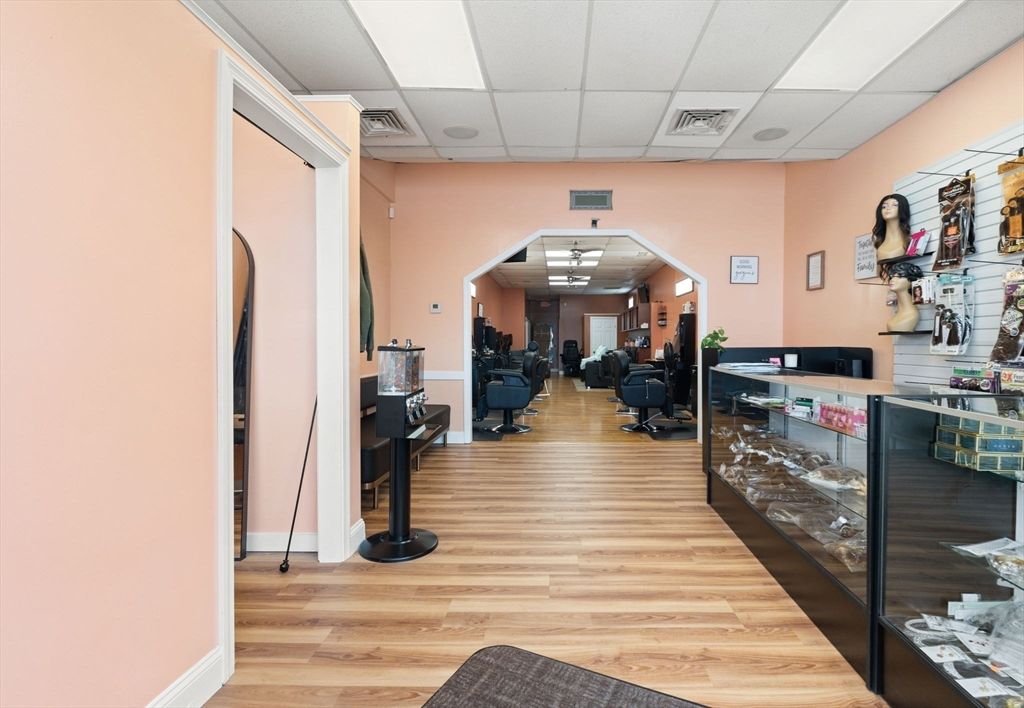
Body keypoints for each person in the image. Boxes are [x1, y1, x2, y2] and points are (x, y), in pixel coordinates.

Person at [873, 193, 912, 262]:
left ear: (902, 209)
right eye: (884, 206)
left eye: (894, 205)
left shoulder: (908, 243)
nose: (888, 208)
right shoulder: (880, 248)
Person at [887, 262, 924, 332]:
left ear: (912, 280)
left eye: (899, 277)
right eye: (892, 276)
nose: (892, 280)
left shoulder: (911, 316)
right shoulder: (896, 318)